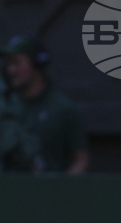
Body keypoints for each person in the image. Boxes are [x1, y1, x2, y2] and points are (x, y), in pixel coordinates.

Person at [1, 35, 88, 174]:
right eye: (8, 64)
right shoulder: (5, 105)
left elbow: (80, 159)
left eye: (17, 63)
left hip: (50, 192)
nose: (11, 70)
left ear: (37, 64)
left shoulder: (63, 109)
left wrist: (62, 190)